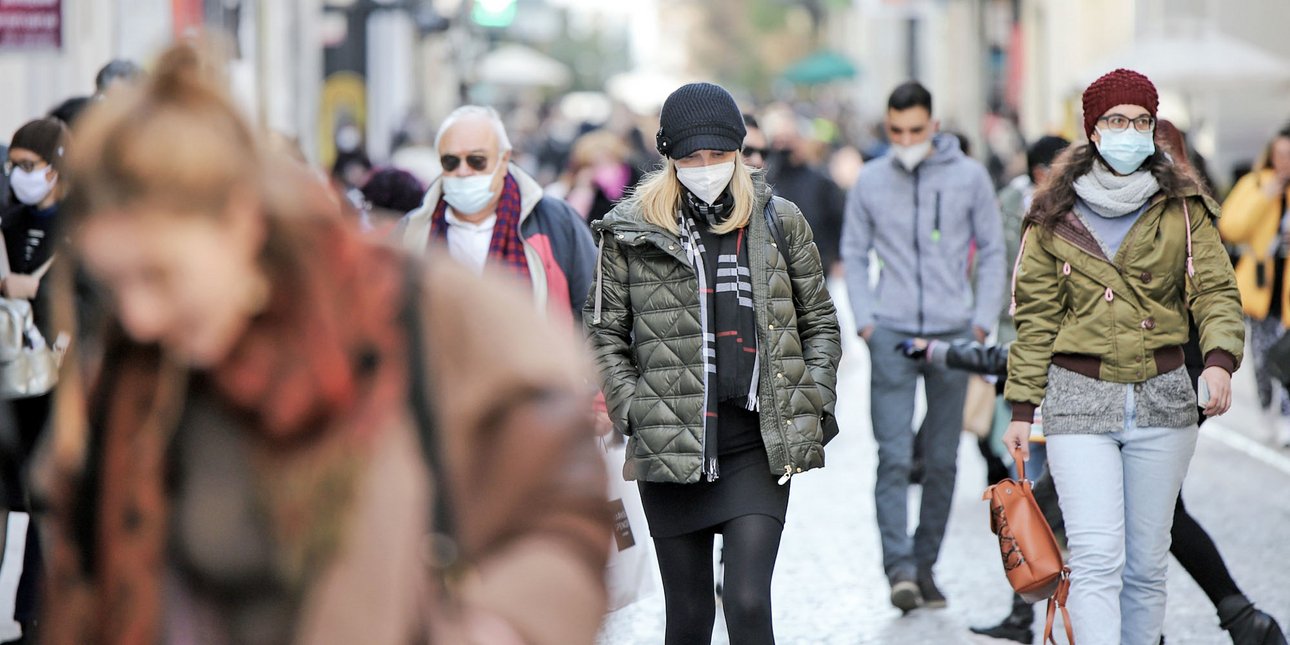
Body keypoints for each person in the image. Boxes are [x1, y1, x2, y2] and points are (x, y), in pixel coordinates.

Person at [42, 40, 611, 645]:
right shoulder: (136, 375)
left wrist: (499, 625)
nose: (140, 315)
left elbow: (557, 511)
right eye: (115, 283)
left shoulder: (417, 315)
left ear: (240, 219)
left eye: (160, 275)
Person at [585, 82, 841, 645]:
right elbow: (606, 334)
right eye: (691, 157)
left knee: (748, 602)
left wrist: (812, 394)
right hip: (670, 441)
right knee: (690, 613)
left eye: (718, 155)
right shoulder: (630, 230)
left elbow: (819, 320)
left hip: (756, 440)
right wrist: (634, 408)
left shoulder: (779, 220)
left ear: (739, 151)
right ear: (668, 156)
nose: (706, 167)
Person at [1003, 68, 1245, 645]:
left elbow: (1215, 290)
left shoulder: (1184, 206)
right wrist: (1020, 407)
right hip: (1077, 398)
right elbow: (1035, 318)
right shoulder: (1051, 215)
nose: (1129, 132)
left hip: (1164, 397)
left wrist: (1217, 359)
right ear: (1092, 130)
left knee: (1146, 563)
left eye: (1141, 121)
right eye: (1116, 120)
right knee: (1094, 557)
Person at [841, 80, 1006, 612]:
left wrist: (980, 326)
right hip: (890, 332)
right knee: (892, 457)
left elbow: (994, 253)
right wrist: (866, 324)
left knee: (942, 459)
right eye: (896, 131)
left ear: (934, 126)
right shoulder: (870, 180)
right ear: (886, 129)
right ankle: (899, 570)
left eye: (915, 130)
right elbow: (854, 251)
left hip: (954, 335)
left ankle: (926, 566)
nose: (906, 139)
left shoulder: (970, 178)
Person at [397, 105, 597, 326]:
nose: (463, 170)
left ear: (503, 161)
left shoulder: (555, 220)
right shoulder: (411, 231)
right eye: (451, 161)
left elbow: (597, 310)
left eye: (477, 160)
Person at [0, 116, 70, 644]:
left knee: (47, 501)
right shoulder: (9, 221)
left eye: (29, 166)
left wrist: (33, 294)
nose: (18, 176)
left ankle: (35, 614)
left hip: (58, 383)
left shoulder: (81, 224)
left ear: (56, 167)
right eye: (13, 166)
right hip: (12, 382)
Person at [1218, 125, 1290, 447]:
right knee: (1262, 358)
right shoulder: (1255, 183)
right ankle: (1266, 411)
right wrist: (1266, 196)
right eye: (1280, 155)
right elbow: (1231, 227)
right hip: (1262, 287)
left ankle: (1287, 416)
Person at [764, 110, 846, 274]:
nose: (783, 147)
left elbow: (838, 222)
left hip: (818, 268)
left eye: (789, 140)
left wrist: (837, 258)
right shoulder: (766, 181)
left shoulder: (821, 182)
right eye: (778, 141)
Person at [547, 129, 642, 225]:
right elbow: (572, 220)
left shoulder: (635, 181)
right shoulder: (566, 188)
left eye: (607, 160)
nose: (602, 168)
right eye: (593, 164)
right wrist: (583, 189)